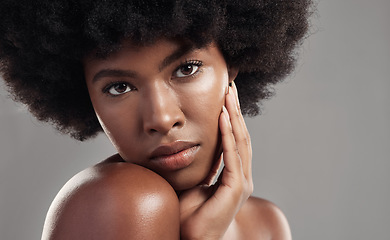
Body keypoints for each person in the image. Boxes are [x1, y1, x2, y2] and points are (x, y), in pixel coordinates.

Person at [0, 0, 312, 239]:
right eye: (119, 87)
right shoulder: (127, 200)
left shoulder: (266, 224)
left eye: (186, 69)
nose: (161, 119)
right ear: (84, 95)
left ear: (232, 64)